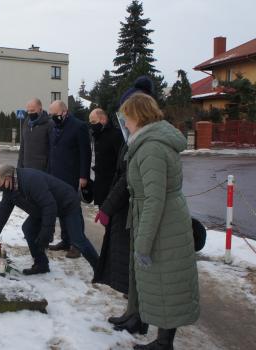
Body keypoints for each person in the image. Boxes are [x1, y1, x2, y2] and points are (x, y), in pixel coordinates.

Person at [122, 93, 200, 350]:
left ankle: (163, 344)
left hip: (162, 223)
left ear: (137, 116)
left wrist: (143, 244)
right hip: (165, 218)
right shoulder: (151, 140)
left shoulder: (151, 147)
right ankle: (162, 341)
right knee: (165, 282)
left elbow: (154, 199)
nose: (125, 122)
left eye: (127, 117)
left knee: (166, 282)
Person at [98, 77, 156, 336]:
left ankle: (140, 317)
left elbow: (129, 179)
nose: (123, 120)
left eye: (126, 114)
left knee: (140, 270)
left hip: (137, 211)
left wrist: (108, 206)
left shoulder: (147, 142)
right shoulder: (132, 138)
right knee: (129, 268)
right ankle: (132, 313)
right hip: (126, 210)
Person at [0, 164, 99, 275]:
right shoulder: (9, 188)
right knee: (29, 229)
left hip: (67, 203)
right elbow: (2, 213)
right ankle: (41, 264)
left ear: (8, 177)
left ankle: (99, 268)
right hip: (42, 208)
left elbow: (49, 205)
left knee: (77, 240)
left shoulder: (30, 180)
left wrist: (46, 232)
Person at [90, 108, 130, 295]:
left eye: (94, 121)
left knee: (116, 230)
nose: (92, 125)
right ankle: (114, 267)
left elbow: (120, 165)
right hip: (101, 187)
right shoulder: (98, 135)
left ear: (103, 119)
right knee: (109, 230)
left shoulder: (115, 135)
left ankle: (118, 270)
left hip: (112, 188)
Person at [47, 100, 92, 259]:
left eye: (54, 114)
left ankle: (77, 244)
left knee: (73, 211)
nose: (52, 117)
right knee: (61, 209)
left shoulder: (79, 126)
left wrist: (84, 176)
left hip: (72, 176)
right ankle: (65, 240)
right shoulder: (54, 127)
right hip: (55, 175)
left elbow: (85, 153)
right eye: (50, 114)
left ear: (64, 112)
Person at [17, 98, 53, 171]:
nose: (30, 113)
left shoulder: (50, 124)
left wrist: (48, 170)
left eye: (32, 110)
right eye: (28, 111)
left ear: (40, 109)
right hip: (26, 169)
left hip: (42, 171)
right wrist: (19, 168)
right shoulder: (26, 123)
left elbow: (52, 150)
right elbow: (22, 148)